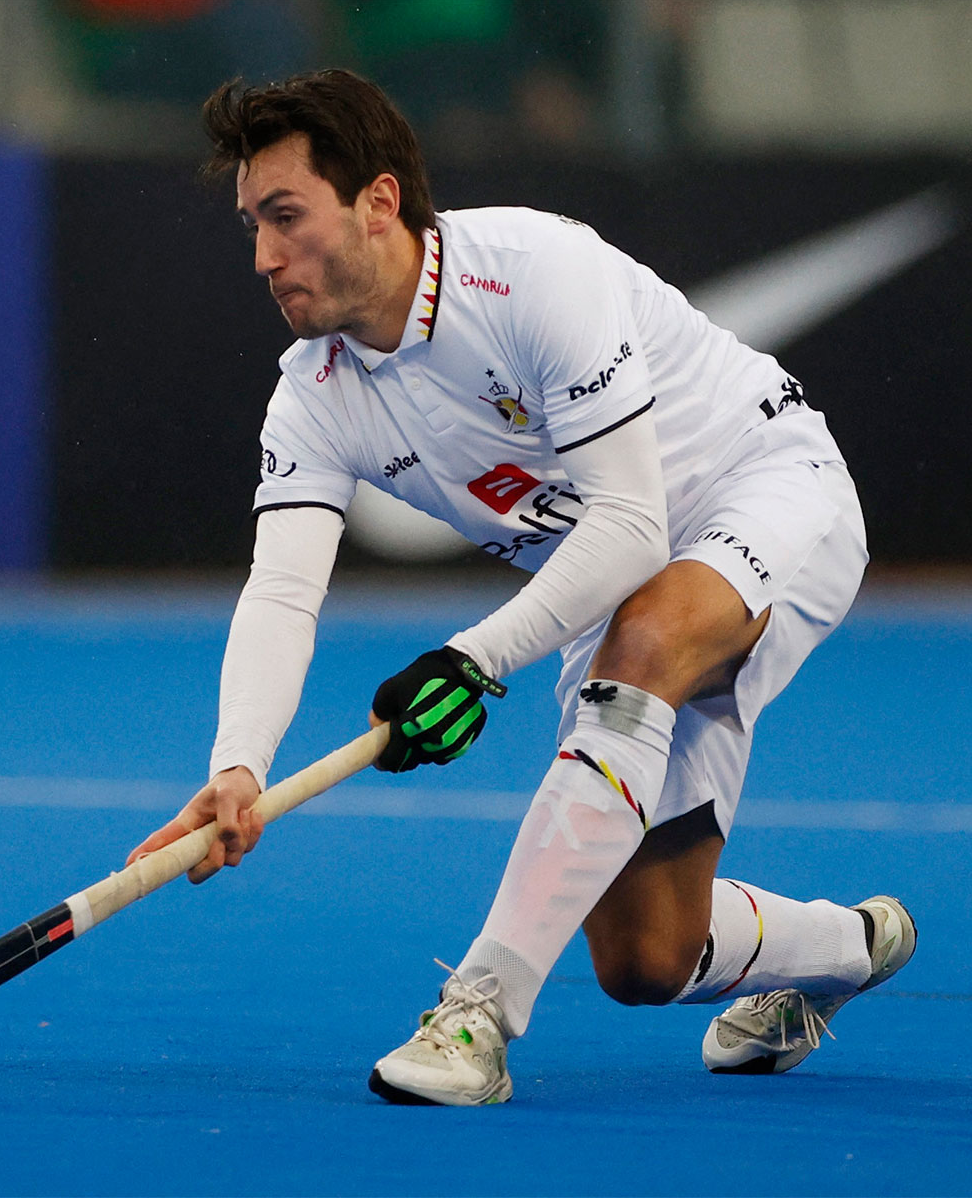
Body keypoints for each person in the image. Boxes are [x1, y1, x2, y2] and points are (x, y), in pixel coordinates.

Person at [127, 68, 916, 1106]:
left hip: (768, 491)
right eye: (252, 226)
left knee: (643, 641)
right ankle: (848, 949)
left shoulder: (534, 273)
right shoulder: (311, 398)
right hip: (614, 589)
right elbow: (280, 593)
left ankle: (479, 1016)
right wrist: (237, 766)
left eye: (286, 216)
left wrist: (472, 659)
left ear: (377, 201)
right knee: (647, 957)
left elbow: (631, 523)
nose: (265, 257)